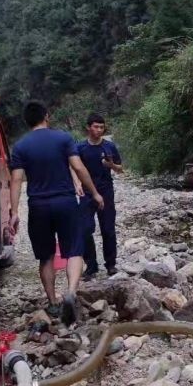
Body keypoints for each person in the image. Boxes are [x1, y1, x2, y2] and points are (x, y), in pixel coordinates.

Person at [8, 101, 104, 325]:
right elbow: (78, 168)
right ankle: (70, 292)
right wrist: (95, 193)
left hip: (38, 206)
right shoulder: (63, 138)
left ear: (27, 121)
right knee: (73, 251)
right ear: (47, 116)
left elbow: (16, 180)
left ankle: (52, 302)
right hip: (65, 203)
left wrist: (14, 212)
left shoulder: (21, 146)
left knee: (46, 256)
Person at [72, 113, 123, 280]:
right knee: (85, 229)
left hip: (106, 191)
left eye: (102, 127)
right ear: (88, 127)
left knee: (108, 229)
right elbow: (72, 166)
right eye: (96, 127)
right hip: (86, 193)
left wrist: (111, 165)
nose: (99, 130)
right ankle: (91, 266)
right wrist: (77, 183)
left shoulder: (109, 147)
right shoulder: (80, 148)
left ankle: (111, 265)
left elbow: (120, 168)